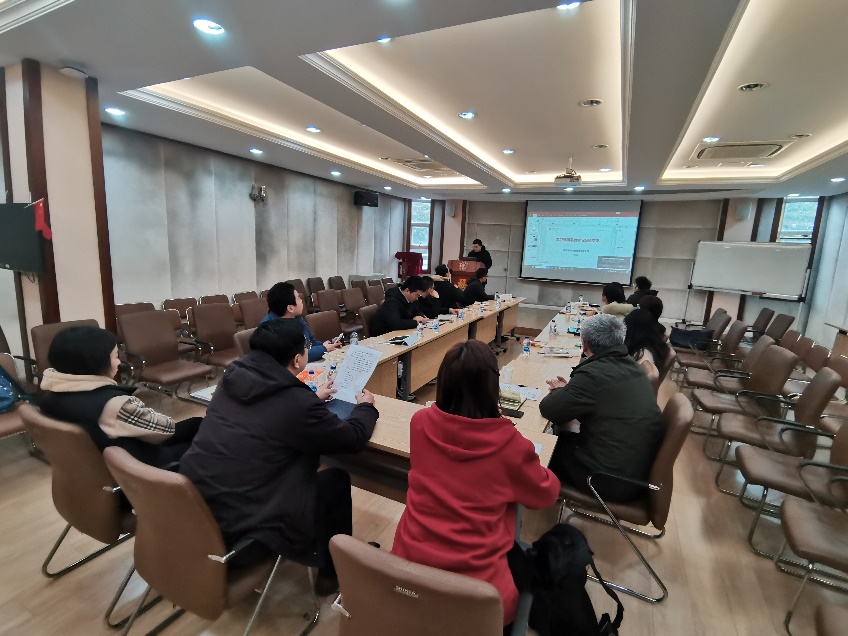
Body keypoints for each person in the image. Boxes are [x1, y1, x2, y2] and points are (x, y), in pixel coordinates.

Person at [179, 318, 378, 593]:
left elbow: (269, 412)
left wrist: (311, 398)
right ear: (297, 359)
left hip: (194, 515)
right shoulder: (295, 402)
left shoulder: (232, 376)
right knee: (335, 481)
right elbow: (352, 439)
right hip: (242, 538)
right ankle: (332, 575)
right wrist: (366, 408)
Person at [391, 340, 560, 628]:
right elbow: (545, 494)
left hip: (408, 572)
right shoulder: (509, 444)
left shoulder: (419, 422)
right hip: (478, 596)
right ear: (492, 387)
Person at [539, 314, 664, 503]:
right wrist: (571, 391)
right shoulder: (632, 367)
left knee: (541, 449)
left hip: (605, 480)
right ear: (620, 341)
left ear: (584, 345)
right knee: (563, 433)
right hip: (634, 473)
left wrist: (561, 392)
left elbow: (549, 409)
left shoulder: (593, 374)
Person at [38, 326, 201, 468]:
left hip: (100, 462)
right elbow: (165, 430)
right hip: (143, 467)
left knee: (196, 423)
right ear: (96, 362)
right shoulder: (115, 405)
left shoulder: (49, 396)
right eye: (116, 356)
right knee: (204, 432)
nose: (118, 362)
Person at [261, 281, 341, 362]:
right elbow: (294, 357)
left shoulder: (296, 317)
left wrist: (329, 343)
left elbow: (311, 343)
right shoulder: (268, 330)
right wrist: (323, 348)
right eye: (298, 298)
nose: (301, 301)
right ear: (290, 308)